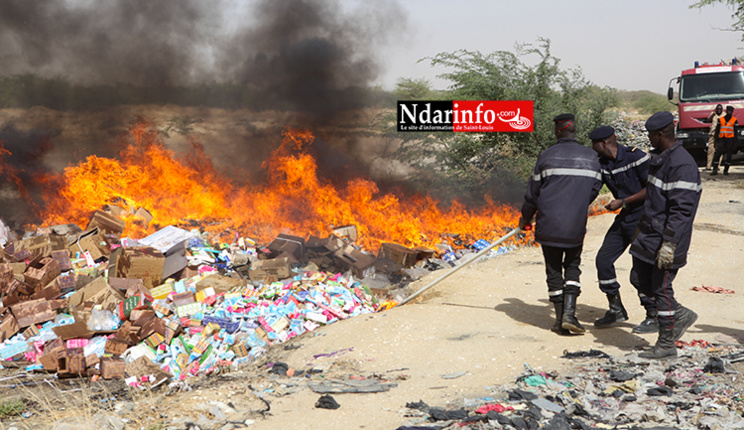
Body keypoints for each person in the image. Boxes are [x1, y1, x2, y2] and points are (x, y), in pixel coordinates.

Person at [519, 113, 602, 336]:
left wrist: (525, 219)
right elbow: (594, 188)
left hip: (548, 223)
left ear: (558, 131)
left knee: (553, 269)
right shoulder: (591, 156)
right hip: (575, 224)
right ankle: (570, 314)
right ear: (574, 131)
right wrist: (578, 203)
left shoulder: (546, 156)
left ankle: (559, 320)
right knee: (573, 265)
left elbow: (532, 194)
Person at [630, 111, 701, 359]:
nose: (649, 138)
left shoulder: (682, 165)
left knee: (661, 289)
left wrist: (669, 244)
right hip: (649, 235)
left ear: (660, 134)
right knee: (638, 278)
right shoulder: (659, 159)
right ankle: (680, 314)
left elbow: (682, 211)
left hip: (669, 239)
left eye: (651, 134)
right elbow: (652, 198)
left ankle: (666, 343)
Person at [589, 126, 657, 333]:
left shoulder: (635, 156)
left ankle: (653, 314)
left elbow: (652, 187)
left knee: (640, 271)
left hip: (644, 218)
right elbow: (592, 190)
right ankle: (616, 309)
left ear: (603, 143)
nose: (592, 149)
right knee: (603, 261)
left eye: (594, 145)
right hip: (625, 218)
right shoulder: (603, 165)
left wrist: (623, 201)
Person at [711, 105, 738, 175]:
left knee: (728, 155)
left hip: (730, 140)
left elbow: (736, 132)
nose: (729, 112)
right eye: (728, 111)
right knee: (717, 154)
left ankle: (726, 170)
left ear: (732, 112)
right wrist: (715, 140)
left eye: (730, 111)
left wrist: (735, 143)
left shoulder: (734, 120)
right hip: (722, 139)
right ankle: (715, 169)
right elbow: (717, 130)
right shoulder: (721, 119)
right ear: (726, 111)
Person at [705, 104, 723, 171]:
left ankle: (717, 166)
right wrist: (713, 114)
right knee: (710, 150)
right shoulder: (713, 114)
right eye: (717, 109)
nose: (718, 110)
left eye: (720, 109)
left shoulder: (724, 115)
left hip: (720, 135)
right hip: (712, 134)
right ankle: (708, 166)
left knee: (719, 151)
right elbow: (708, 120)